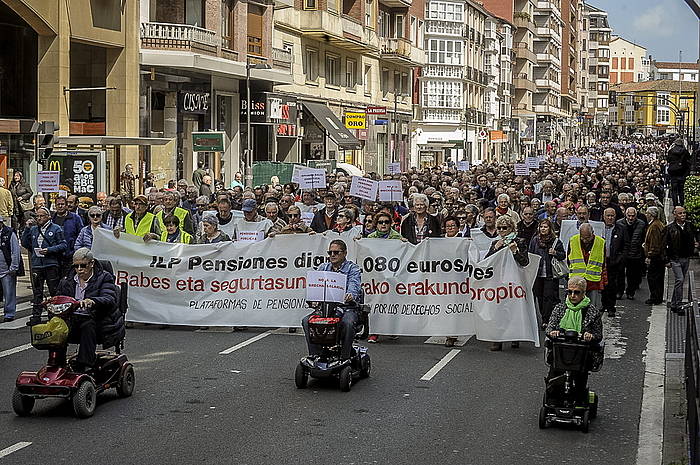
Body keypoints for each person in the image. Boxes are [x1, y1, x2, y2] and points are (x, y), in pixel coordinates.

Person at [55, 248, 122, 374]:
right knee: (57, 326)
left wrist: (93, 301)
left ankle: (84, 365)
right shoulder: (66, 280)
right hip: (72, 318)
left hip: (98, 318)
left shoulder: (104, 277)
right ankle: (57, 364)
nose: (79, 269)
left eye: (83, 265)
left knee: (87, 324)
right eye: (76, 266)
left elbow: (109, 298)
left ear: (91, 264)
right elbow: (59, 297)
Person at [302, 239, 363, 361]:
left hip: (347, 308)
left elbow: (354, 285)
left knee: (347, 323)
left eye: (336, 252)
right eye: (330, 252)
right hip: (326, 308)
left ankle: (345, 356)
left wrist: (350, 295)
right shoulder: (323, 267)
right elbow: (315, 286)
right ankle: (316, 355)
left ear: (344, 253)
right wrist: (313, 299)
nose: (332, 255)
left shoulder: (353, 268)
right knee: (306, 321)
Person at [546, 275, 603, 403]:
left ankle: (578, 401)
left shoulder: (592, 312)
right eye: (570, 292)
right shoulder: (560, 308)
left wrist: (590, 336)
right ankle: (553, 400)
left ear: (583, 293)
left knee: (579, 381)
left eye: (576, 292)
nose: (572, 295)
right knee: (554, 379)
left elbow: (598, 335)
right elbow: (549, 329)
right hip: (561, 352)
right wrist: (553, 332)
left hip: (581, 354)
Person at [485, 215, 529, 351]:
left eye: (505, 227)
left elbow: (525, 262)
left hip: (514, 280)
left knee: (513, 309)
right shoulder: (495, 242)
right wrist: (495, 249)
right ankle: (498, 339)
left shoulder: (520, 241)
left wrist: (515, 251)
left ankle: (514, 335)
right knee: (498, 309)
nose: (502, 230)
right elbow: (486, 262)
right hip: (498, 280)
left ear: (511, 228)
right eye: (499, 228)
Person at [21, 207, 68, 326]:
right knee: (37, 292)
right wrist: (26, 229)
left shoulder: (56, 229)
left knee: (53, 291)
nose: (39, 218)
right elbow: (25, 244)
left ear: (48, 217)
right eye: (37, 216)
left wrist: (49, 250)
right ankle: (36, 315)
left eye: (41, 216)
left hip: (51, 264)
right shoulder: (34, 230)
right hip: (37, 264)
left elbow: (63, 245)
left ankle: (54, 315)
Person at [528, 219, 566, 329]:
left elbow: (563, 255)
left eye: (546, 227)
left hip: (550, 274)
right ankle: (543, 316)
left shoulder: (555, 241)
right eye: (541, 227)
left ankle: (546, 319)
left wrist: (555, 253)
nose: (543, 229)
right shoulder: (535, 240)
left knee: (548, 297)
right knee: (539, 296)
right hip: (538, 273)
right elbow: (530, 254)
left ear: (550, 229)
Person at [665, 206, 699, 315]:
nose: (683, 215)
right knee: (679, 279)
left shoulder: (689, 226)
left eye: (684, 213)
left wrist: (696, 245)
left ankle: (674, 304)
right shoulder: (670, 228)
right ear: (675, 214)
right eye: (680, 213)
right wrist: (666, 260)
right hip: (675, 258)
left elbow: (696, 237)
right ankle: (678, 304)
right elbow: (664, 245)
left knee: (680, 281)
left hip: (686, 257)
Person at [567, 223, 605, 310]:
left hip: (593, 280)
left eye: (587, 238)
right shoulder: (573, 240)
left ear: (593, 233)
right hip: (576, 281)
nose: (585, 240)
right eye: (582, 237)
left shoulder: (601, 242)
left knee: (591, 308)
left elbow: (603, 262)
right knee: (575, 307)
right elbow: (568, 259)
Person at [616, 207, 646, 300]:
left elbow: (644, 238)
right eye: (629, 216)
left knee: (632, 274)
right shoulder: (619, 223)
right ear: (625, 214)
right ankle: (619, 291)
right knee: (620, 274)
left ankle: (630, 292)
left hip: (635, 253)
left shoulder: (641, 224)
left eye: (633, 216)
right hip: (622, 252)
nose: (631, 218)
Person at [600, 208, 625, 317]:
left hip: (613, 261)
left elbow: (625, 246)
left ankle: (611, 307)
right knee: (601, 285)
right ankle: (603, 304)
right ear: (604, 216)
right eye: (608, 216)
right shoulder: (598, 228)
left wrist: (619, 259)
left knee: (611, 285)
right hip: (600, 261)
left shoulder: (621, 229)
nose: (610, 218)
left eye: (612, 216)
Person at [52, 196, 84, 275]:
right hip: (55, 257)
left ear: (66, 205)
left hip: (70, 256)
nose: (60, 206)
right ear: (55, 206)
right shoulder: (52, 219)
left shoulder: (75, 218)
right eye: (58, 204)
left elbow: (81, 235)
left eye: (62, 204)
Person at [643, 206, 665, 305]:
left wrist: (649, 255)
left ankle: (655, 297)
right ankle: (657, 297)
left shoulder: (655, 226)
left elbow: (655, 243)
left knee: (653, 278)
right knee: (657, 278)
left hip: (656, 257)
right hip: (658, 257)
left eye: (647, 213)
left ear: (651, 215)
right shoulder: (657, 224)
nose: (646, 215)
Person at [0, 216, 20, 322]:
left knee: (9, 292)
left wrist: (14, 267)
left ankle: (9, 313)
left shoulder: (9, 233)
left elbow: (15, 251)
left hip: (7, 269)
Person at [667, 138, 690, 207]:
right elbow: (688, 159)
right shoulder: (684, 151)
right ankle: (682, 204)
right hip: (682, 173)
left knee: (674, 190)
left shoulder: (671, 151)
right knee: (681, 190)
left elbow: (668, 160)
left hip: (673, 173)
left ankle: (675, 205)